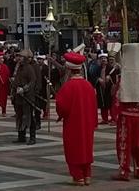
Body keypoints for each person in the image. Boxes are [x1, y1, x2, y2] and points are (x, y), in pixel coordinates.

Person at [55, 51, 97, 187]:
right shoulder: (88, 86)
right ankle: (87, 175)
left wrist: (61, 114)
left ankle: (78, 177)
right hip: (87, 123)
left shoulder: (67, 87)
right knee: (86, 147)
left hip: (73, 123)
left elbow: (62, 107)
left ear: (69, 69)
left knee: (73, 149)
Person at [112, 44, 139, 182]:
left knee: (124, 144)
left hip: (126, 115)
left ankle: (124, 171)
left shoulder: (125, 77)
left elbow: (117, 96)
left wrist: (115, 113)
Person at [11, 49, 40, 145]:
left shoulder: (29, 68)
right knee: (19, 116)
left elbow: (33, 81)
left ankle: (32, 137)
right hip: (18, 96)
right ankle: (21, 136)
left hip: (27, 96)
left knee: (29, 117)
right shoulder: (18, 67)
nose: (19, 58)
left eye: (21, 56)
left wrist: (24, 89)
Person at [0, 51, 11, 116]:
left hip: (2, 85)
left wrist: (0, 77)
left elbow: (6, 75)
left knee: (3, 98)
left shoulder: (5, 67)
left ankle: (3, 111)